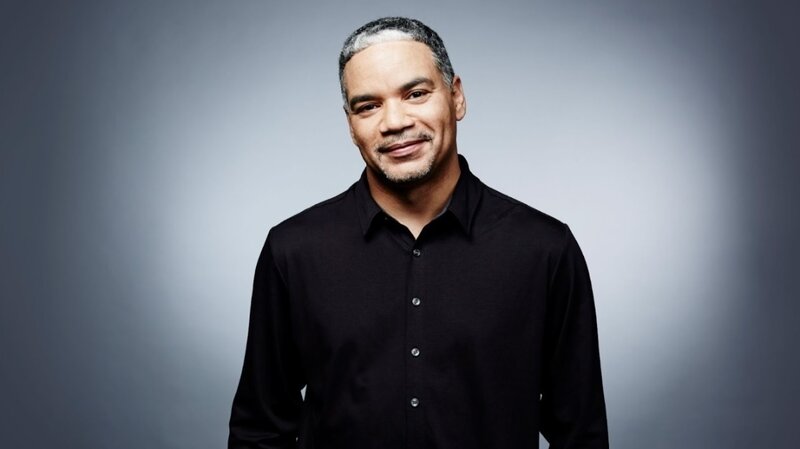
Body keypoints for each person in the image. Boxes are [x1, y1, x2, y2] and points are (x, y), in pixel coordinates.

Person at [229, 16, 608, 449]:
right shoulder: (293, 251)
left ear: (456, 97)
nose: (394, 121)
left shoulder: (545, 249)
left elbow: (581, 436)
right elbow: (259, 433)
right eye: (368, 106)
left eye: (415, 94)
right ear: (350, 124)